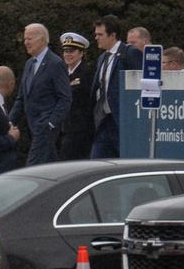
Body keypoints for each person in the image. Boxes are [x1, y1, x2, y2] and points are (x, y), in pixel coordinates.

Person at [9, 23, 71, 165]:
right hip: (34, 127)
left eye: (29, 39)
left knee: (33, 165)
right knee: (51, 166)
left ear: (42, 40)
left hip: (45, 126)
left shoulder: (55, 64)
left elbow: (65, 98)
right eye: (25, 39)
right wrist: (9, 121)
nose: (26, 43)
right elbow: (22, 98)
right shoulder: (29, 64)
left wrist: (51, 123)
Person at [90, 14, 143, 158]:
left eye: (100, 34)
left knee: (126, 162)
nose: (96, 38)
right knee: (98, 163)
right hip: (104, 121)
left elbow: (140, 86)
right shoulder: (102, 58)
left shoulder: (130, 53)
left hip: (122, 122)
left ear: (112, 35)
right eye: (96, 34)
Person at [56, 32, 93, 160]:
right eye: (65, 51)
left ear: (81, 53)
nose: (67, 55)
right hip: (64, 128)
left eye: (72, 51)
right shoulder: (62, 74)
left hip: (81, 130)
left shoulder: (86, 73)